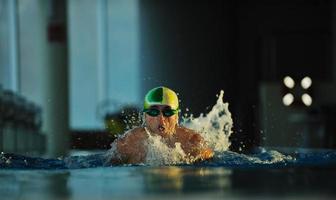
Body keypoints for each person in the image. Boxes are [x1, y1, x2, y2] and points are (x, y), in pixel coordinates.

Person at [109, 86, 214, 164]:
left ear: (177, 116)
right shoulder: (128, 144)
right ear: (144, 116)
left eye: (168, 112)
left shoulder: (192, 143)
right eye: (154, 112)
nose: (161, 119)